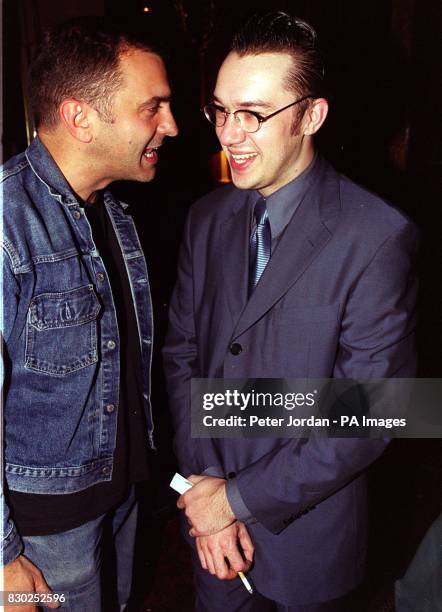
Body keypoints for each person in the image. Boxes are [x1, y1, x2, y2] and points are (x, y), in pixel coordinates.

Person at [163, 10, 418, 612]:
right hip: (211, 545)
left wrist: (236, 500)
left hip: (310, 550)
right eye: (220, 111)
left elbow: (374, 411)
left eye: (252, 113)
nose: (229, 134)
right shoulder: (206, 219)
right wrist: (208, 495)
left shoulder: (377, 235)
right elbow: (181, 356)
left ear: (311, 116)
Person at [1, 17, 177, 612]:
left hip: (119, 492)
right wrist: (1, 556)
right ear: (81, 117)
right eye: (152, 107)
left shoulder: (117, 216)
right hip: (44, 531)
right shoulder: (6, 225)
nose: (170, 126)